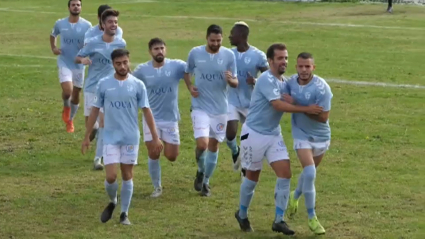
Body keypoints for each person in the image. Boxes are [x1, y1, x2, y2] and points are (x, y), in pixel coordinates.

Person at [234, 43, 323, 235]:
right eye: (280, 58)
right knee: (252, 178)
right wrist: (307, 109)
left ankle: (279, 219)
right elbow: (278, 105)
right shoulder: (266, 79)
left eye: (286, 58)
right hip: (254, 134)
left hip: (274, 134)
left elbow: (299, 93)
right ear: (270, 60)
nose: (284, 62)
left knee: (285, 174)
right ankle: (241, 213)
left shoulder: (285, 81)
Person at [81, 48, 163, 225]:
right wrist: (87, 135)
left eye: (125, 62)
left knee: (127, 174)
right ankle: (113, 201)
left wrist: (155, 137)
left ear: (129, 61)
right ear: (113, 64)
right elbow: (95, 110)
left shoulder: (137, 85)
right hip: (110, 137)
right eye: (118, 63)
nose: (122, 66)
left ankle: (124, 214)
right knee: (111, 176)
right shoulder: (103, 84)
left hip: (130, 137)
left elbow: (147, 111)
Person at [184, 24, 238, 197]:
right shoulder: (195, 53)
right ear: (206, 38)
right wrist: (190, 86)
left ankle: (206, 182)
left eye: (219, 40)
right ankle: (200, 170)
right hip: (200, 106)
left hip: (221, 109)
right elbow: (187, 72)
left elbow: (236, 81)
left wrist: (231, 81)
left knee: (214, 146)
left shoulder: (229, 55)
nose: (216, 43)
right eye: (212, 40)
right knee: (202, 144)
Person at [283, 52, 332, 235]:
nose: (304, 70)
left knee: (307, 174)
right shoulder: (290, 83)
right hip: (301, 134)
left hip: (321, 136)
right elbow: (275, 90)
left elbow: (323, 117)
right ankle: (312, 218)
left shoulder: (322, 88)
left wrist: (298, 105)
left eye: (308, 66)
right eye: (301, 66)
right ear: (296, 67)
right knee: (310, 172)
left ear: (313, 68)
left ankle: (295, 197)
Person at [132, 38, 186, 198]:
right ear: (150, 52)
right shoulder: (142, 70)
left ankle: (165, 145)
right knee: (154, 153)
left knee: (172, 156)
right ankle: (157, 187)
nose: (159, 51)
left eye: (162, 48)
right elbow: (131, 82)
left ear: (166, 50)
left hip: (170, 118)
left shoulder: (176, 66)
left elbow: (192, 70)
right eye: (156, 49)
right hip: (151, 119)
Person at [75, 9, 126, 170]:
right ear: (103, 25)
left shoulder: (121, 43)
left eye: (116, 22)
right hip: (92, 88)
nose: (114, 25)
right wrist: (83, 60)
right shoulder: (93, 42)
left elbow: (123, 64)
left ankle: (98, 159)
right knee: (92, 126)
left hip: (109, 88)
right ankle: (95, 134)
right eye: (110, 22)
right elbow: (78, 57)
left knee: (104, 122)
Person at [226, 21, 268, 176]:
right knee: (230, 134)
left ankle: (245, 166)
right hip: (231, 101)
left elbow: (269, 77)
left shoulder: (258, 55)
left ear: (241, 36)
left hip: (251, 104)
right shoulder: (228, 54)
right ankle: (235, 151)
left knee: (248, 138)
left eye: (232, 33)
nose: (229, 36)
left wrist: (255, 81)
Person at [49, 0, 92, 133]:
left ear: (81, 8)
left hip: (78, 65)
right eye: (73, 5)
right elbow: (53, 34)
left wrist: (85, 56)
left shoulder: (87, 25)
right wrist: (54, 48)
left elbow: (91, 42)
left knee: (75, 95)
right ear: (69, 7)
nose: (76, 7)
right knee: (67, 91)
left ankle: (70, 120)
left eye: (78, 5)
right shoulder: (60, 23)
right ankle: (66, 108)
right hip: (64, 62)